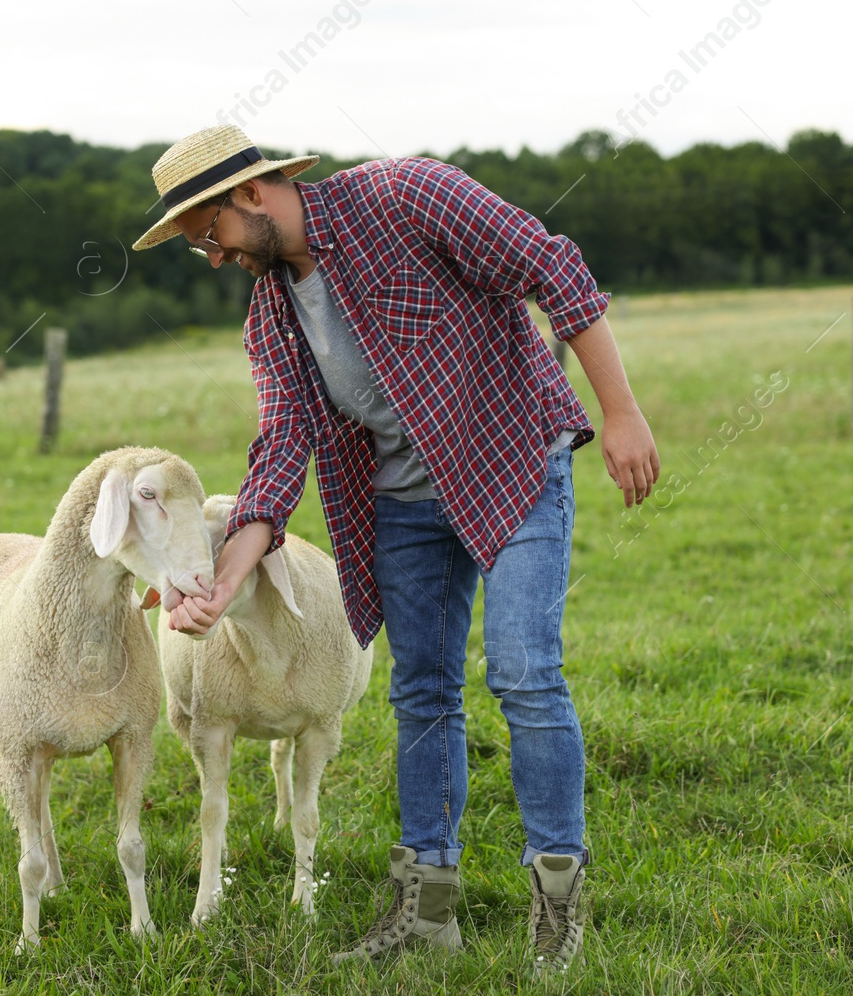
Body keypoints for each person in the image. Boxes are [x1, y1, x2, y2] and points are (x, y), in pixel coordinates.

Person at [132, 125, 659, 971]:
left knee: (523, 671)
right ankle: (428, 908)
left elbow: (551, 264)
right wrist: (223, 584)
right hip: (404, 502)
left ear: (250, 195)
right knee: (422, 689)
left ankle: (559, 903)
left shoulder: (406, 196)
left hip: (511, 457)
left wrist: (622, 410)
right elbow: (280, 449)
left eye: (211, 236)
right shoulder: (272, 313)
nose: (216, 258)